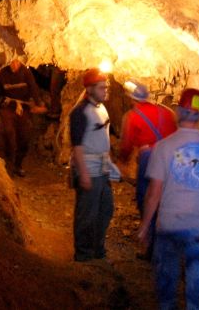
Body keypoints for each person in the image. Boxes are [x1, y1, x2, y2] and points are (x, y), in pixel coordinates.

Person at [138, 88, 199, 310]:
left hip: (169, 226)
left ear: (179, 111)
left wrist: (144, 228)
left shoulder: (163, 147)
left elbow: (153, 193)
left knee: (166, 292)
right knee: (197, 296)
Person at [118, 80, 178, 259]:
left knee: (147, 197)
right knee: (166, 200)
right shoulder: (166, 113)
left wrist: (122, 162)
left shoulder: (133, 115)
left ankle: (149, 245)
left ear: (131, 98)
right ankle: (168, 244)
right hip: (170, 157)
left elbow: (127, 144)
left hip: (149, 156)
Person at [69, 67, 118, 262]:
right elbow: (77, 146)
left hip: (102, 168)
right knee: (87, 213)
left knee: (106, 209)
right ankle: (83, 254)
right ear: (89, 89)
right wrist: (84, 174)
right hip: (89, 168)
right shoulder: (80, 113)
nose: (105, 91)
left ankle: (97, 249)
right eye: (101, 88)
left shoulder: (101, 108)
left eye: (106, 87)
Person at [0, 57, 46, 177]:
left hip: (23, 109)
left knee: (24, 136)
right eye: (12, 62)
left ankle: (18, 165)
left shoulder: (26, 73)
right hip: (8, 107)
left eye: (17, 62)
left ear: (21, 62)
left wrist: (39, 103)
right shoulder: (2, 74)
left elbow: (33, 88)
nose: (14, 65)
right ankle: (8, 166)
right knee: (9, 136)